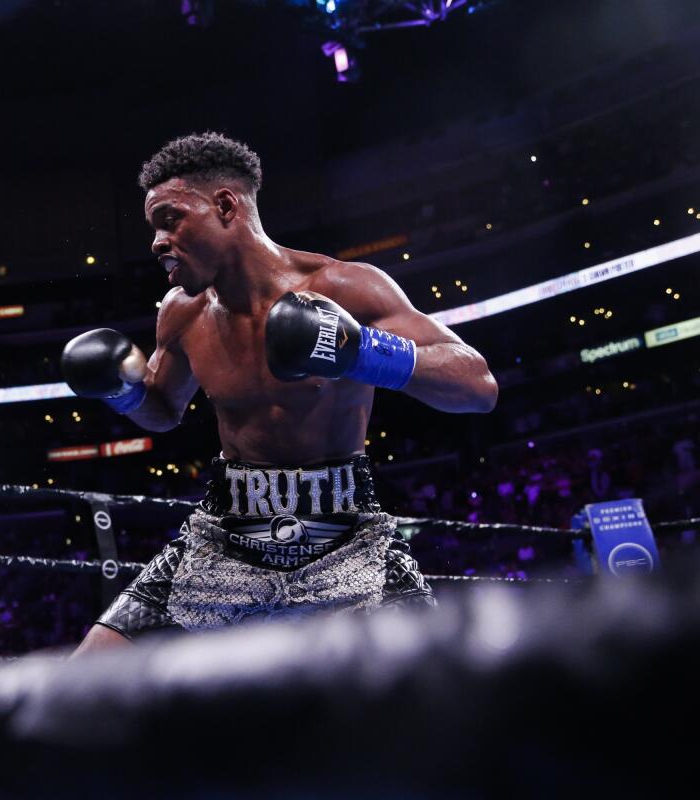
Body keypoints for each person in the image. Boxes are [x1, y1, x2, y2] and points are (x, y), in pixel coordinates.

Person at [62, 133, 498, 651]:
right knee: (90, 673)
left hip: (343, 537)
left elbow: (477, 386)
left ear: (226, 205)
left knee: (439, 686)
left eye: (170, 219)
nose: (156, 242)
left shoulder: (345, 288)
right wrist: (124, 391)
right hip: (224, 536)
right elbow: (162, 412)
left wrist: (358, 352)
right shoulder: (182, 313)